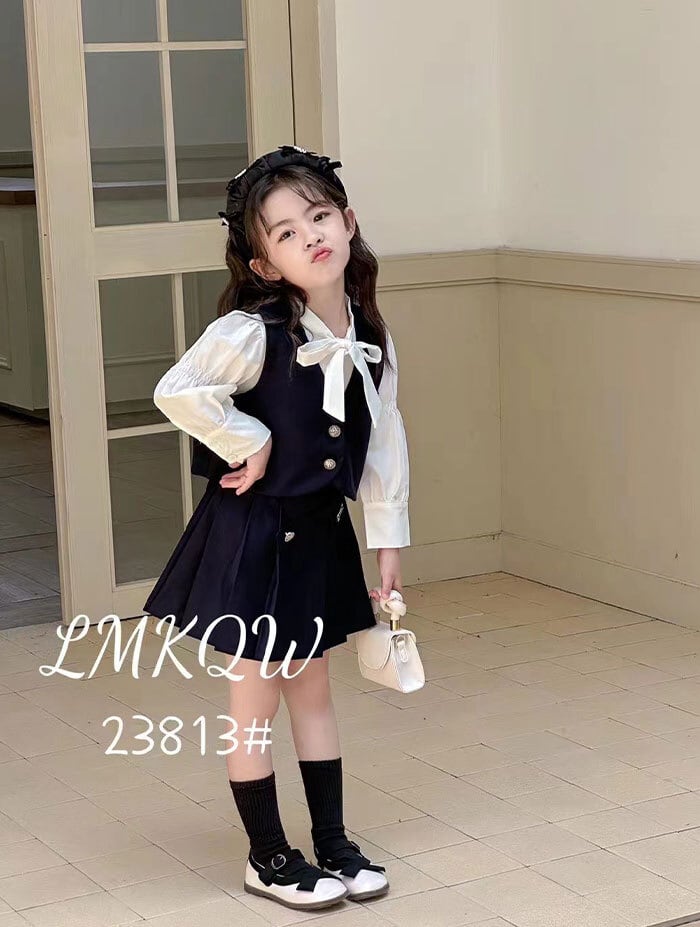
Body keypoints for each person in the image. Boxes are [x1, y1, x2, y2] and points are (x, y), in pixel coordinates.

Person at [143, 145, 410, 912]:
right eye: (286, 232)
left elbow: (384, 436)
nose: (311, 235)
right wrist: (248, 437)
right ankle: (267, 854)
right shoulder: (251, 329)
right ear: (264, 263)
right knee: (254, 700)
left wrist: (387, 538)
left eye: (319, 216)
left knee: (314, 690)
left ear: (348, 222)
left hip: (319, 532)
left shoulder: (369, 334)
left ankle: (332, 840)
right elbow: (179, 388)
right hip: (257, 537)